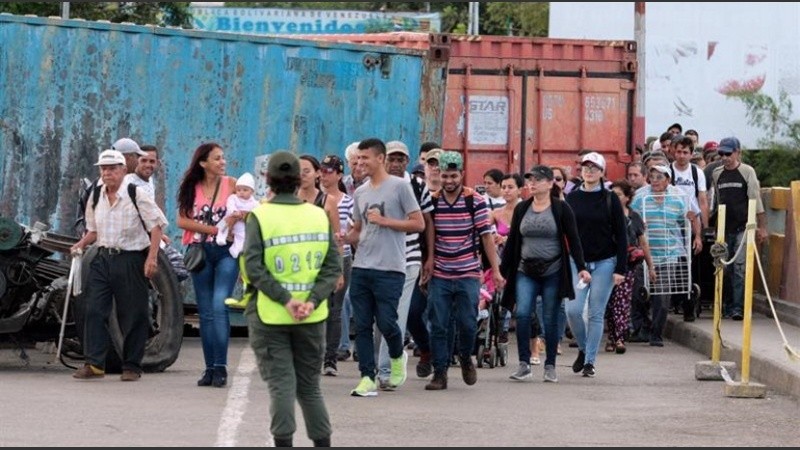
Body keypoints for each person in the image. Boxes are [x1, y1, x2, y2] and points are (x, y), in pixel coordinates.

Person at [242, 151, 340, 448]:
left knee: (281, 385)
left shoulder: (259, 215)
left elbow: (253, 267)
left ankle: (283, 443)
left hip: (270, 315)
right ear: (300, 180)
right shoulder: (318, 215)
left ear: (267, 180)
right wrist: (310, 300)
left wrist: (285, 300)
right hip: (312, 316)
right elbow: (332, 267)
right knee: (309, 387)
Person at [70, 149, 167, 381]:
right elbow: (93, 230)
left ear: (124, 170)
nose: (107, 173)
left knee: (133, 313)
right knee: (93, 309)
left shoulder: (136, 194)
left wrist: (152, 258)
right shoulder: (95, 195)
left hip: (131, 259)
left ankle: (132, 365)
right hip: (103, 258)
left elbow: (156, 226)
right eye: (103, 169)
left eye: (112, 168)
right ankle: (94, 364)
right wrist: (80, 244)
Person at [345, 138, 425, 397]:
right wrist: (345, 238)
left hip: (391, 267)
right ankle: (367, 377)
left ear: (380, 158)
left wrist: (386, 221)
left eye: (364, 158)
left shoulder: (400, 186)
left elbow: (418, 224)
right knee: (363, 324)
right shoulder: (360, 192)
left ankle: (396, 354)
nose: (359, 163)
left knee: (387, 322)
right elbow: (358, 230)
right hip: (362, 266)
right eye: (357, 159)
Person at [424, 151, 504, 391]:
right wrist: (428, 261)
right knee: (438, 324)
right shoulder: (433, 200)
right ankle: (440, 373)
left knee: (468, 323)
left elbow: (486, 237)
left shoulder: (475, 200)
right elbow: (428, 233)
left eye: (453, 176)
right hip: (440, 272)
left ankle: (466, 358)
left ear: (462, 174)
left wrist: (496, 271)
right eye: (445, 176)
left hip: (468, 272)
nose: (449, 181)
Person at [501, 165, 589, 384]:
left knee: (549, 317)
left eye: (538, 180)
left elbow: (574, 240)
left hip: (553, 270)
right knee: (522, 314)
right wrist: (499, 272)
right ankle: (524, 364)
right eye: (530, 180)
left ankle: (550, 365)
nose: (533, 183)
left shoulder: (561, 209)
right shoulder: (522, 209)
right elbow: (513, 242)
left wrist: (581, 267)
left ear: (550, 183)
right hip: (525, 269)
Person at [177, 142, 240, 388]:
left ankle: (221, 367)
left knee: (219, 305)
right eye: (217, 159)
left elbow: (249, 208)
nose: (222, 162)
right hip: (200, 251)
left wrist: (239, 220)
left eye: (223, 158)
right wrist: (214, 229)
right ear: (203, 163)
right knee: (204, 312)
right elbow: (182, 220)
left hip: (226, 252)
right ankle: (209, 368)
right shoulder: (191, 188)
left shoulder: (232, 184)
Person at [374, 140, 434, 390]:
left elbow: (428, 222)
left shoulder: (417, 185)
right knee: (380, 316)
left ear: (408, 162)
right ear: (384, 160)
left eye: (401, 160)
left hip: (409, 258)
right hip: (379, 258)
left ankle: (386, 370)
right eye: (392, 159)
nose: (396, 164)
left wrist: (428, 257)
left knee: (397, 315)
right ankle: (388, 361)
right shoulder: (374, 185)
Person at [565, 152, 628, 378]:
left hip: (605, 262)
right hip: (577, 261)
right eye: (585, 167)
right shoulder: (571, 199)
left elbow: (621, 236)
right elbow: (567, 235)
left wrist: (621, 268)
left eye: (594, 168)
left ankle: (590, 360)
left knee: (595, 312)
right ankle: (583, 348)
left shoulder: (610, 199)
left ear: (602, 172)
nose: (589, 171)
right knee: (572, 310)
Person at [630, 165, 691, 346]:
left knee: (662, 298)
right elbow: (630, 218)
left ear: (668, 180)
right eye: (652, 176)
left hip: (668, 254)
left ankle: (657, 333)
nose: (655, 180)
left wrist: (695, 237)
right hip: (642, 255)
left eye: (659, 177)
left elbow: (685, 222)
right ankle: (641, 328)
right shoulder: (640, 197)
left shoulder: (678, 198)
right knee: (638, 295)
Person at [711, 137, 767, 320]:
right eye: (721, 154)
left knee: (739, 268)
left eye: (728, 153)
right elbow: (717, 200)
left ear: (737, 153)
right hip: (724, 227)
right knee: (723, 267)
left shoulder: (747, 172)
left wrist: (762, 227)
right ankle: (724, 304)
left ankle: (737, 307)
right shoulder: (717, 174)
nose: (725, 157)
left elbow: (756, 201)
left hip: (743, 228)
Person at [605, 180, 654, 354]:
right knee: (609, 303)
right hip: (606, 264)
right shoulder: (604, 215)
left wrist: (651, 266)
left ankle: (619, 338)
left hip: (627, 265)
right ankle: (612, 337)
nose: (614, 198)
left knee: (622, 302)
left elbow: (643, 243)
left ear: (627, 198)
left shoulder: (634, 217)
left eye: (618, 195)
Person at [318, 154, 354, 377]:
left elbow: (353, 230)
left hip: (341, 257)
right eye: (322, 170)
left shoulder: (349, 201)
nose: (324, 175)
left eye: (329, 171)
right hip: (317, 258)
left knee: (335, 309)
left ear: (339, 174)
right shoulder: (315, 199)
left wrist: (345, 237)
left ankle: (330, 358)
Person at [216, 173, 259, 259]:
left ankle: (235, 250)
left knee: (242, 237)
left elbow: (256, 212)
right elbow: (230, 204)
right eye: (239, 190)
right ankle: (220, 238)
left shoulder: (254, 202)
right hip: (230, 217)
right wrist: (234, 211)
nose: (241, 192)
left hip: (241, 224)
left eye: (245, 190)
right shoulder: (234, 197)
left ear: (252, 191)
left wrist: (244, 215)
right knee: (221, 226)